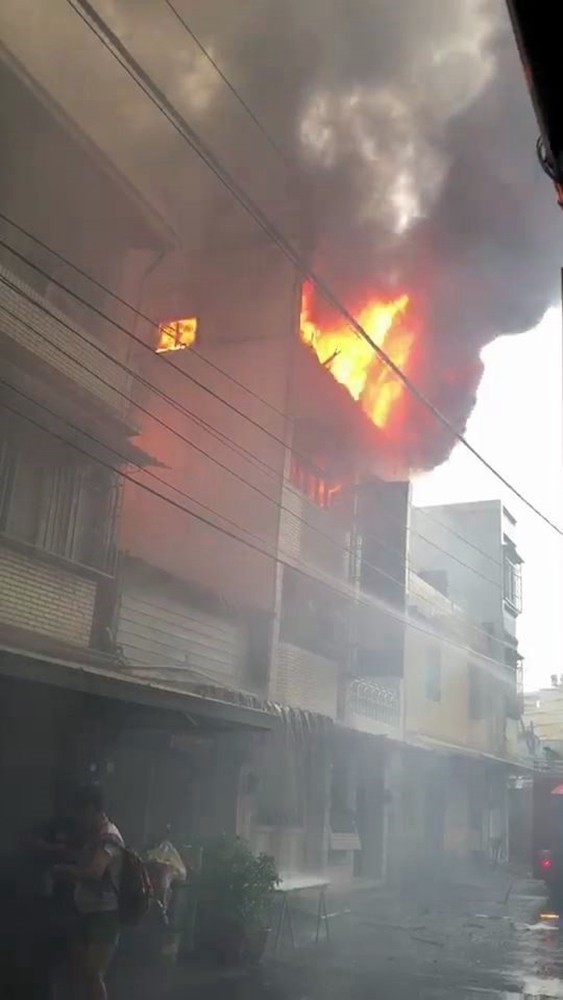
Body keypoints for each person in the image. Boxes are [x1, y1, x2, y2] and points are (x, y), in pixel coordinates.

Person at [52, 784, 123, 1000]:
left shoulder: (109, 837)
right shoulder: (94, 835)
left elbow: (94, 871)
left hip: (104, 914)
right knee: (80, 974)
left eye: (80, 812)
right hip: (85, 911)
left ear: (92, 809)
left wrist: (66, 871)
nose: (78, 819)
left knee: (92, 976)